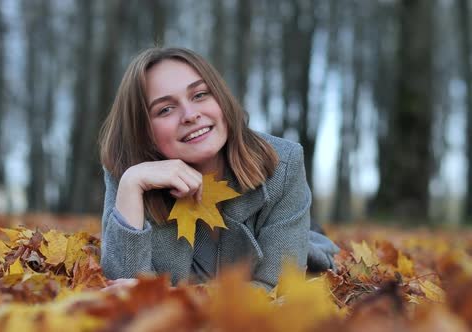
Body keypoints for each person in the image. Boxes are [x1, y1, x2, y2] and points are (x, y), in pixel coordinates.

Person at [98, 47, 339, 290]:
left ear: (221, 98)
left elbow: (277, 289)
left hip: (284, 256)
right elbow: (121, 290)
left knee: (306, 248)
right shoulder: (130, 173)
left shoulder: (282, 163)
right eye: (165, 109)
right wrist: (132, 183)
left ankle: (309, 234)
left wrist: (174, 297)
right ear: (143, 132)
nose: (190, 115)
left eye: (200, 95)